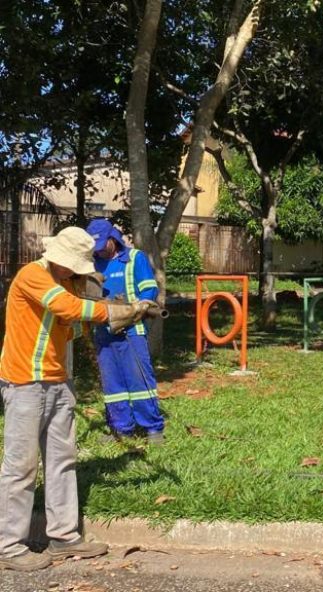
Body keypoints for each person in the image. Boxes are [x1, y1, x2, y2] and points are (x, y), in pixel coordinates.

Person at [0, 226, 152, 571]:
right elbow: (68, 309)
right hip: (25, 382)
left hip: (58, 382)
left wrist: (112, 309)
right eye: (73, 266)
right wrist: (117, 311)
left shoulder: (67, 282)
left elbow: (72, 320)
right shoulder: (32, 276)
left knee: (62, 460)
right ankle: (8, 547)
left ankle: (64, 537)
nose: (75, 272)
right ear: (56, 257)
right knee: (20, 467)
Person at [85, 219, 165, 445]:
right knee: (113, 384)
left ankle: (153, 428)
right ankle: (121, 428)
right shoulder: (92, 264)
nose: (99, 250)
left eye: (102, 245)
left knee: (139, 379)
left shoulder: (133, 259)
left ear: (113, 239)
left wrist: (137, 307)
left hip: (131, 330)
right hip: (103, 330)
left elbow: (149, 289)